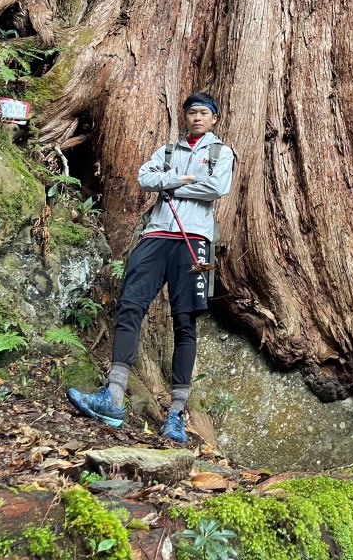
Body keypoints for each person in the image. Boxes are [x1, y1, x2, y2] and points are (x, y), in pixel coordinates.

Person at [67, 92, 234, 442]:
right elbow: (145, 178)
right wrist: (183, 179)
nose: (197, 118)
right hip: (156, 235)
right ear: (185, 117)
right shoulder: (168, 151)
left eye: (204, 113)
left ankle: (175, 415)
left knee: (185, 322)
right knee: (130, 306)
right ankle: (113, 396)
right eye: (192, 112)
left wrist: (172, 181)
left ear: (214, 119)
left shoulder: (221, 153)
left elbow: (217, 187)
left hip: (194, 240)